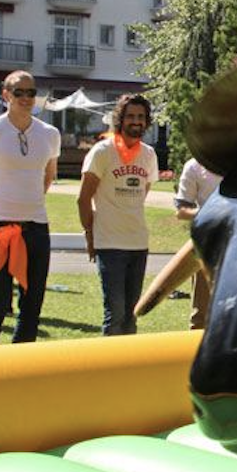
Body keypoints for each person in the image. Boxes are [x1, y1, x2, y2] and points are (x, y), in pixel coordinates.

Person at [0, 71, 60, 344]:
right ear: (6, 94)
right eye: (19, 92)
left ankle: (22, 367)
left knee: (32, 305)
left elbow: (48, 175)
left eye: (31, 93)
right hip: (0, 226)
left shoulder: (49, 134)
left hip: (36, 226)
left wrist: (31, 201)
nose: (26, 98)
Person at [78, 93, 158, 335]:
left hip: (138, 242)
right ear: (120, 119)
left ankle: (128, 369)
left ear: (147, 121)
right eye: (131, 116)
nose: (136, 121)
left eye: (141, 117)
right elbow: (83, 199)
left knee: (132, 314)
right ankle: (107, 370)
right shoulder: (102, 151)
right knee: (115, 314)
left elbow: (142, 192)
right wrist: (90, 234)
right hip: (109, 243)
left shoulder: (148, 154)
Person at [174, 157, 222, 329]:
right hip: (206, 247)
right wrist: (213, 212)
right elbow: (181, 211)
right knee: (201, 314)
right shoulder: (194, 166)